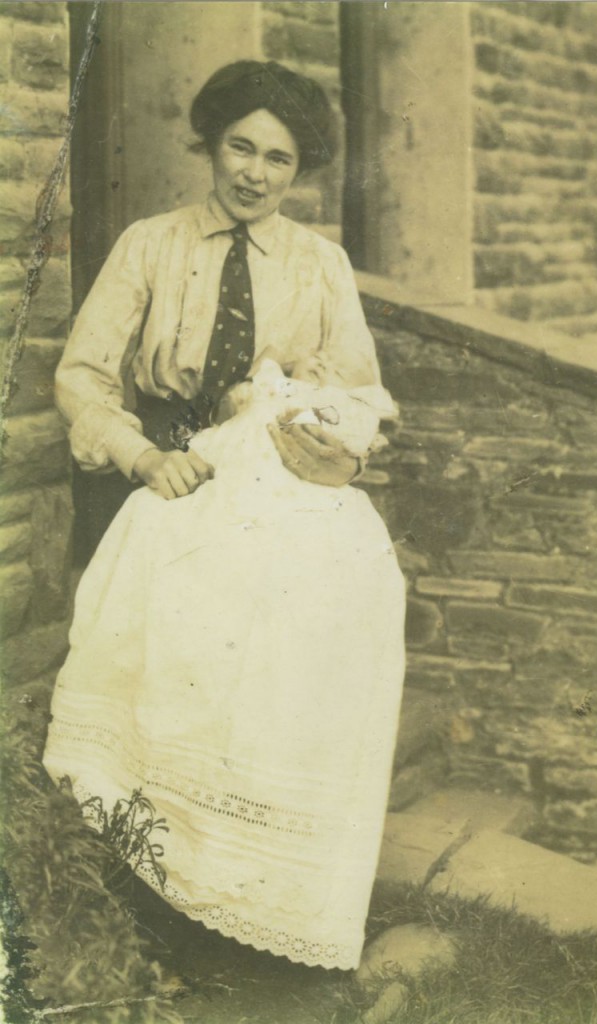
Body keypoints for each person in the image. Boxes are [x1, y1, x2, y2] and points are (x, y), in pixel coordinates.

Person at [43, 61, 406, 972]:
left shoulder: (319, 264)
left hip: (274, 487)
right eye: (240, 147)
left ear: (300, 169)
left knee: (332, 616)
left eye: (278, 159)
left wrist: (342, 450)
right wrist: (141, 456)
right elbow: (81, 376)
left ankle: (261, 889)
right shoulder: (151, 243)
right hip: (170, 476)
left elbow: (361, 392)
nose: (255, 173)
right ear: (210, 146)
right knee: (187, 640)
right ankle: (158, 889)